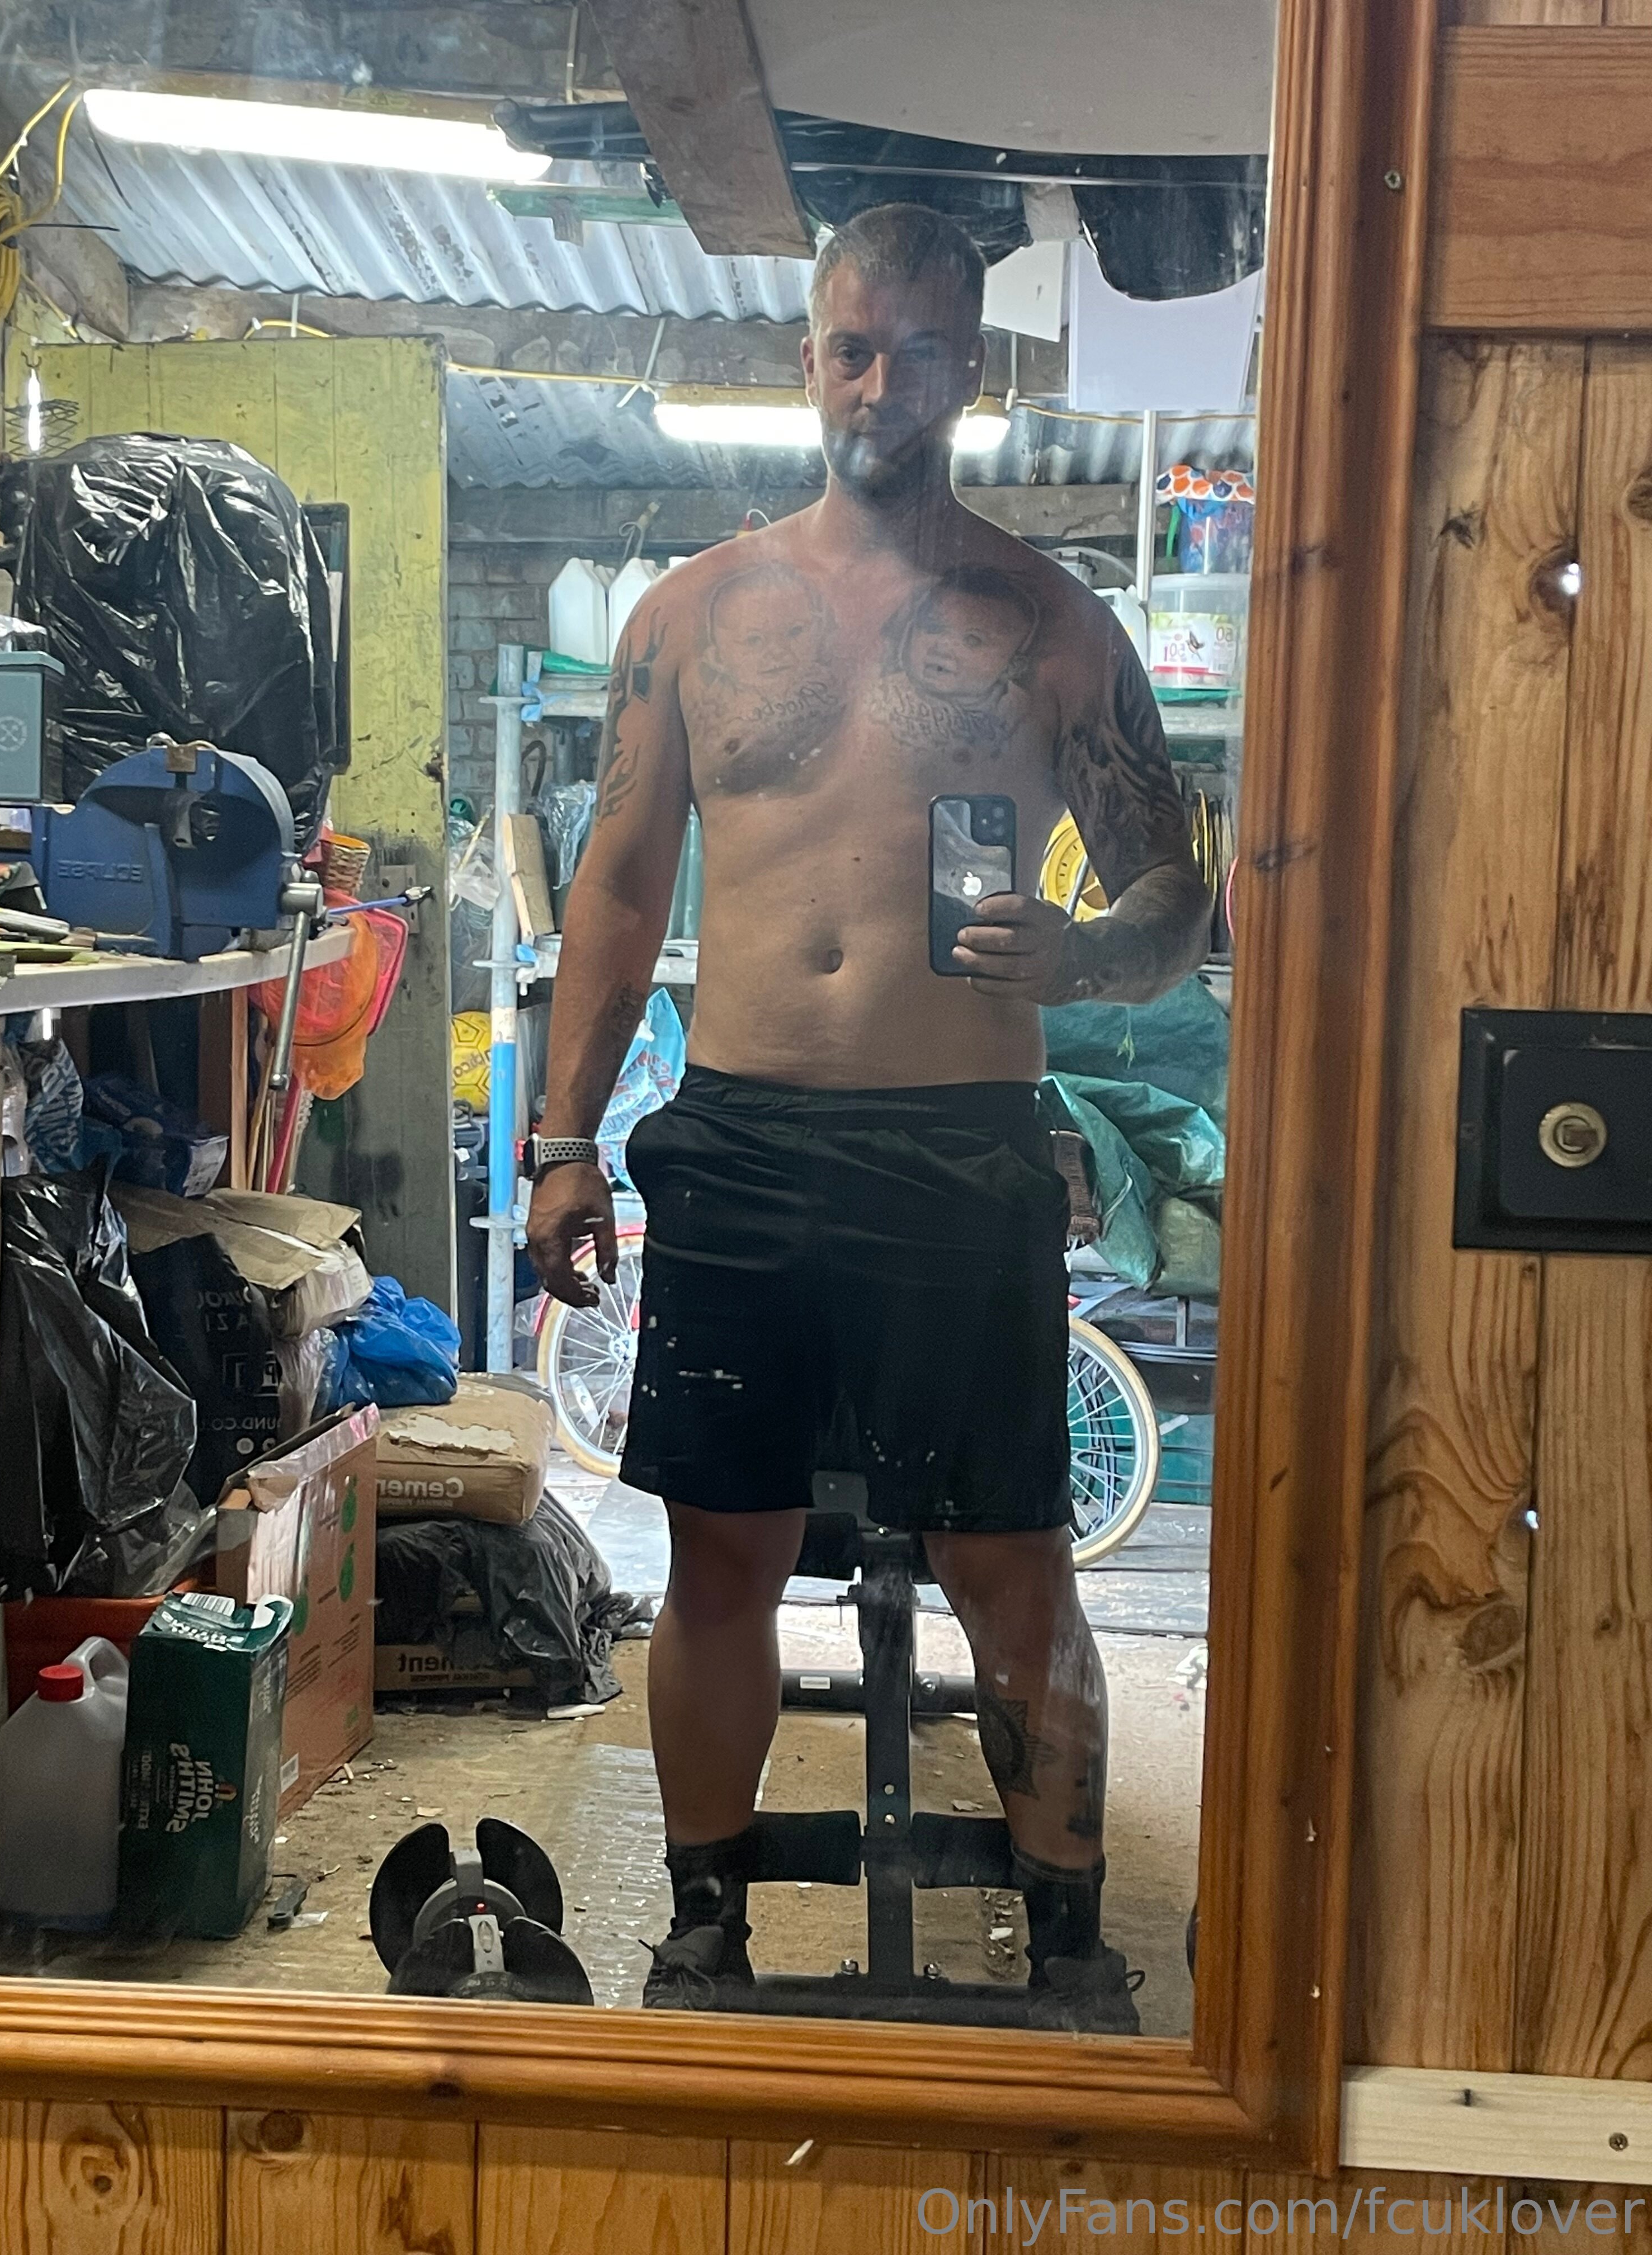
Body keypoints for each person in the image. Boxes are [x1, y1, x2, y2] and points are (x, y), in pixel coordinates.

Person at [526, 203, 1212, 2033]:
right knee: (722, 1549)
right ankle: (705, 1918)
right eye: (851, 348)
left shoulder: (1055, 628)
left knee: (1010, 1560)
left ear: (969, 373)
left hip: (957, 1150)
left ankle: (1067, 1931)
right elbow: (617, 888)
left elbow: (1177, 898)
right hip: (743, 1143)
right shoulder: (692, 618)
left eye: (917, 353)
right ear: (808, 360)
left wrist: (1084, 950)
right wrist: (563, 1141)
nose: (879, 384)